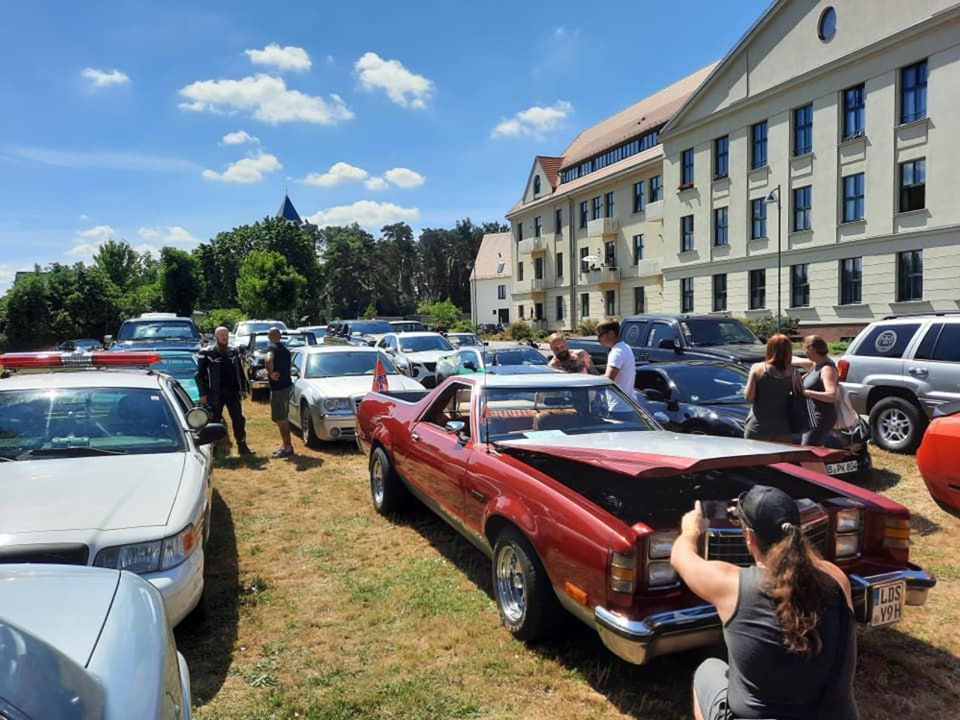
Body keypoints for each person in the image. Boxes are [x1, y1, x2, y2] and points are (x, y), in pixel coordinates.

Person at [671, 486, 858, 720]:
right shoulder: (837, 580)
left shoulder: (733, 586)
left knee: (708, 671)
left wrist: (691, 528)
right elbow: (809, 566)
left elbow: (680, 557)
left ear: (749, 537)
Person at [196, 326, 253, 455]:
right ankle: (213, 448)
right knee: (214, 420)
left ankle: (242, 445)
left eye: (226, 335)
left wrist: (243, 389)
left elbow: (240, 371)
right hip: (214, 393)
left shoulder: (233, 351)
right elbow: (199, 375)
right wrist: (203, 393)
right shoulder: (207, 353)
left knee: (238, 419)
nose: (224, 337)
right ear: (216, 337)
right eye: (222, 335)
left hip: (232, 392)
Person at [743, 334, 797, 443]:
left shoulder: (757, 368)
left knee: (756, 459)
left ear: (769, 349)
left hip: (758, 427)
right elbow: (800, 395)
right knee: (781, 460)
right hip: (784, 428)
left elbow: (749, 397)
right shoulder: (794, 372)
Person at [793, 335, 839, 446]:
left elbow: (832, 396)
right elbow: (796, 360)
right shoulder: (816, 364)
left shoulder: (827, 369)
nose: (804, 352)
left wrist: (806, 392)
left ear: (811, 349)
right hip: (811, 417)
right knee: (809, 453)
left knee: (807, 453)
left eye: (804, 349)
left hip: (820, 418)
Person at [596, 319, 637, 420]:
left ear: (611, 334)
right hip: (629, 404)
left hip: (619, 408)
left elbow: (609, 379)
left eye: (600, 335)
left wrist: (589, 379)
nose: (598, 339)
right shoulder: (625, 347)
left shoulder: (616, 352)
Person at [264, 327, 295, 458]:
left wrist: (270, 373)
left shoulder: (272, 349)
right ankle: (285, 445)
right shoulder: (286, 350)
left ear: (269, 336)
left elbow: (268, 359)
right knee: (281, 417)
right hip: (287, 386)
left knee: (281, 419)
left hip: (278, 389)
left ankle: (287, 447)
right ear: (280, 336)